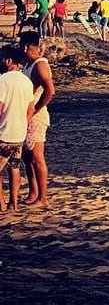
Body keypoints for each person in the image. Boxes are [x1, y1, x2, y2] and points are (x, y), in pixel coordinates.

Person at [19, 31, 54, 207]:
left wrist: (36, 109)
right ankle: (33, 192)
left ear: (26, 46)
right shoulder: (28, 64)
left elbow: (50, 91)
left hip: (36, 116)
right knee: (27, 156)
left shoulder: (40, 65)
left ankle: (43, 197)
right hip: (26, 114)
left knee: (37, 156)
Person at [0, 45, 36, 212]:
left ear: (8, 61)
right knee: (14, 168)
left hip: (4, 133)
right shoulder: (26, 82)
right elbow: (31, 109)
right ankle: (13, 203)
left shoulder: (3, 80)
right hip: (18, 134)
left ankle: (1, 203)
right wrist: (23, 123)